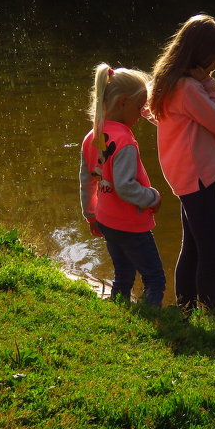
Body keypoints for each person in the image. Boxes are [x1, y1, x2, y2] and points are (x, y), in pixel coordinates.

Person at [147, 14, 215, 315]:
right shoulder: (191, 88)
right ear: (203, 56)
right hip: (199, 177)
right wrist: (208, 82)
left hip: (185, 175)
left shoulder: (167, 81)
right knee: (211, 252)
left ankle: (185, 309)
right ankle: (212, 316)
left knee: (194, 246)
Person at [79, 62, 165, 307]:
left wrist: (90, 215)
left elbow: (87, 180)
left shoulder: (92, 135)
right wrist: (152, 197)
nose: (141, 115)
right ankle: (152, 321)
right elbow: (125, 186)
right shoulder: (125, 141)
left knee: (123, 275)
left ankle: (118, 310)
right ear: (123, 103)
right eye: (139, 108)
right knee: (154, 278)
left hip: (107, 221)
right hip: (131, 225)